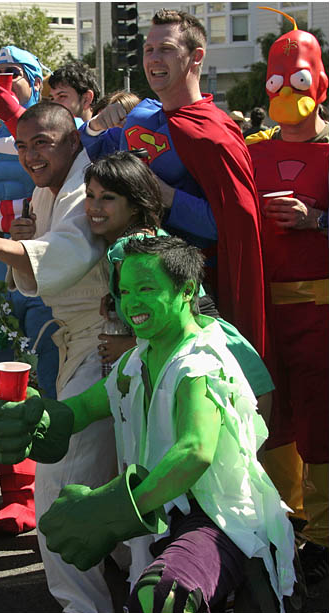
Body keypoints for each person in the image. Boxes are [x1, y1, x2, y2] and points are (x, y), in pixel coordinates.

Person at [0, 235, 298, 613]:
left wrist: (113, 510)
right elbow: (81, 409)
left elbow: (194, 451)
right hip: (162, 519)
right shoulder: (138, 359)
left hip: (218, 521)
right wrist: (33, 420)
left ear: (186, 290)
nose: (131, 303)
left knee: (164, 597)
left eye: (146, 289)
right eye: (125, 291)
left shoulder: (200, 362)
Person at [0, 102, 114, 613]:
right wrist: (14, 245)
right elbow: (43, 266)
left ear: (71, 141)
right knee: (94, 475)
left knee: (65, 479)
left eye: (42, 142)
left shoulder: (87, 184)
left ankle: (84, 605)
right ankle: (101, 597)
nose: (29, 155)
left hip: (106, 341)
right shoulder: (50, 191)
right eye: (21, 145)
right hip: (79, 342)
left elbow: (66, 255)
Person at [81, 9, 268, 364]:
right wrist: (93, 128)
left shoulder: (215, 133)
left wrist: (165, 195)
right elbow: (87, 162)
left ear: (196, 56)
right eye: (148, 49)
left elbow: (232, 224)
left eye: (165, 49)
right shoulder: (139, 115)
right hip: (131, 283)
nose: (153, 59)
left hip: (189, 296)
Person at [84, 151, 274, 427]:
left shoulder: (128, 249)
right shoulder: (143, 240)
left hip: (217, 369)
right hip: (227, 360)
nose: (94, 207)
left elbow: (174, 320)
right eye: (90, 195)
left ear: (135, 205)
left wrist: (128, 346)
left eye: (108, 198)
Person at [245, 17, 329, 585]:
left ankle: (323, 535)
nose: (285, 92)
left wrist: (317, 219)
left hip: (322, 311)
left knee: (322, 419)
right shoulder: (253, 152)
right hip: (264, 310)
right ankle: (288, 522)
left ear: (319, 84)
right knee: (273, 417)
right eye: (276, 82)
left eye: (296, 80)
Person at [0, 45, 58, 537]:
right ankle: (15, 494)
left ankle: (51, 488)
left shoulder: (55, 134)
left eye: (12, 75)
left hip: (43, 274)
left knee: (46, 384)